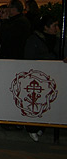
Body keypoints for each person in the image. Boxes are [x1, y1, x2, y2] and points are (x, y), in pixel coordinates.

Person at [23, 14, 60, 142]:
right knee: (36, 102)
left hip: (53, 76)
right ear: (45, 27)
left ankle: (42, 126)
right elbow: (29, 58)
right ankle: (32, 127)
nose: (57, 28)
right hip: (38, 77)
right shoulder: (34, 40)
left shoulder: (57, 40)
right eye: (54, 25)